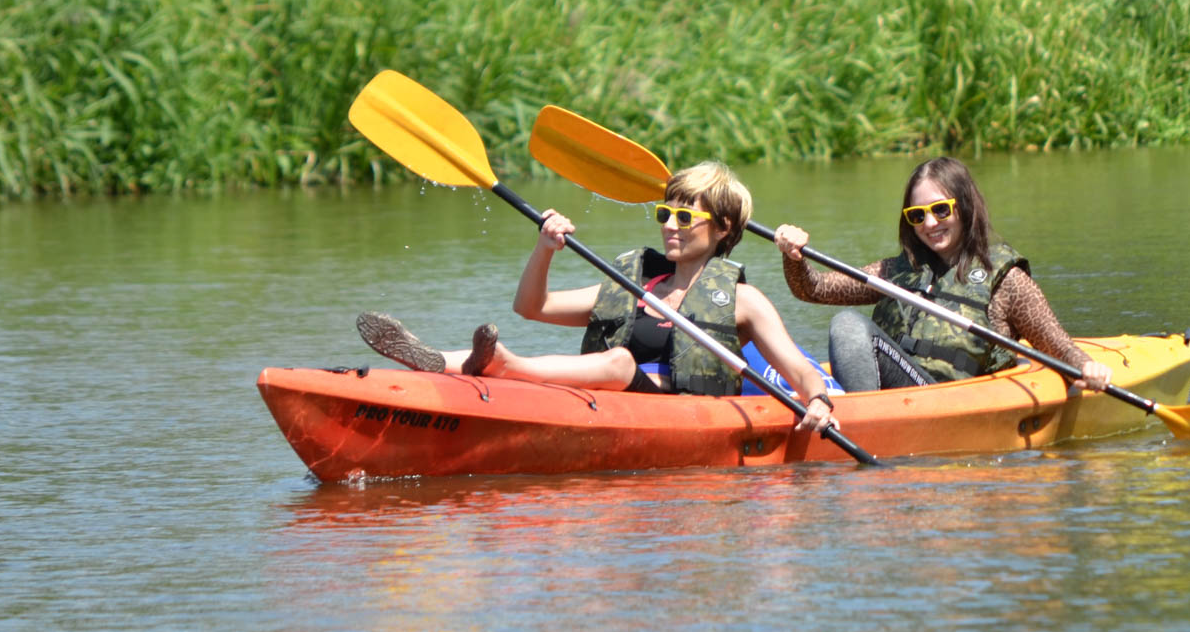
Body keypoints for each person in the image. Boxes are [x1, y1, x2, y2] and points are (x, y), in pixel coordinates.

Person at [358, 161, 841, 434]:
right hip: (604, 405)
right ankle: (435, 360)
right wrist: (544, 248)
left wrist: (817, 400)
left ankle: (506, 366)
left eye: (685, 218)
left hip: (684, 416)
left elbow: (796, 368)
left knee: (619, 363)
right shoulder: (636, 283)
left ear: (724, 228)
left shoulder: (743, 300)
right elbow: (532, 307)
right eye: (664, 213)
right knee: (615, 364)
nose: (670, 226)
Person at [772, 155, 1114, 394]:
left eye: (939, 210)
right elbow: (813, 289)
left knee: (847, 325)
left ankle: (862, 418)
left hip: (953, 396)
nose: (930, 224)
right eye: (917, 215)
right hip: (900, 392)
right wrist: (793, 256)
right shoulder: (895, 271)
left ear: (964, 207)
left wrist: (1086, 367)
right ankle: (863, 415)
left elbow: (1055, 344)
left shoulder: (1006, 282)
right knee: (847, 325)